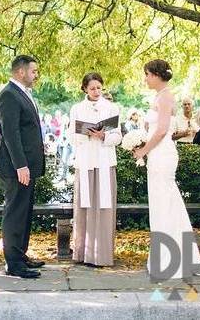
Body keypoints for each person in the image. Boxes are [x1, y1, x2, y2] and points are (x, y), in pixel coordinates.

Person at [132, 60, 200, 278]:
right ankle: (172, 256)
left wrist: (143, 150)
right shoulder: (159, 96)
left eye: (146, 74)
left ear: (155, 74)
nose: (145, 79)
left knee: (165, 204)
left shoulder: (166, 96)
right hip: (157, 154)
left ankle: (170, 259)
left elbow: (162, 130)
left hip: (162, 155)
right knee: (164, 204)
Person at [0, 55, 46, 279]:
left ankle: (20, 255)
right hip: (16, 168)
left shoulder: (22, 94)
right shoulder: (8, 95)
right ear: (21, 72)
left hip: (27, 167)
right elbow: (11, 135)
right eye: (34, 71)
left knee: (24, 212)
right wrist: (21, 166)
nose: (36, 75)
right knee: (15, 213)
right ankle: (13, 263)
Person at [69, 72, 122, 267]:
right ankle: (83, 253)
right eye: (92, 88)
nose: (96, 91)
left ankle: (102, 255)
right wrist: (87, 133)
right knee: (84, 208)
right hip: (85, 163)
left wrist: (103, 136)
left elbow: (117, 137)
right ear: (84, 89)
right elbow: (72, 137)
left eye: (99, 87)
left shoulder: (112, 107)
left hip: (105, 162)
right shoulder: (76, 108)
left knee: (104, 208)